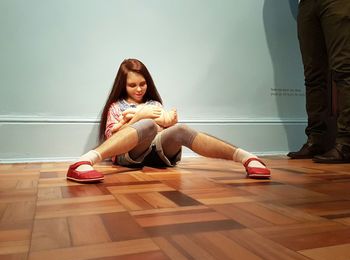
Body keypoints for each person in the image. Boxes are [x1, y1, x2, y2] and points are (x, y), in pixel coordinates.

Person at [66, 58, 271, 183]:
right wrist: (138, 117)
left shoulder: (154, 102)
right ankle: (84, 161)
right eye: (132, 85)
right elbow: (113, 139)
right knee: (146, 124)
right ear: (123, 86)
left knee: (180, 129)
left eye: (143, 83)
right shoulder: (117, 106)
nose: (139, 89)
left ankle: (247, 158)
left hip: (158, 155)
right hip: (128, 156)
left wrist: (168, 121)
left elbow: (163, 128)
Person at [287, 0, 350, 163]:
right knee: (313, 76)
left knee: (344, 71)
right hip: (306, 3)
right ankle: (316, 140)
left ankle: (346, 143)